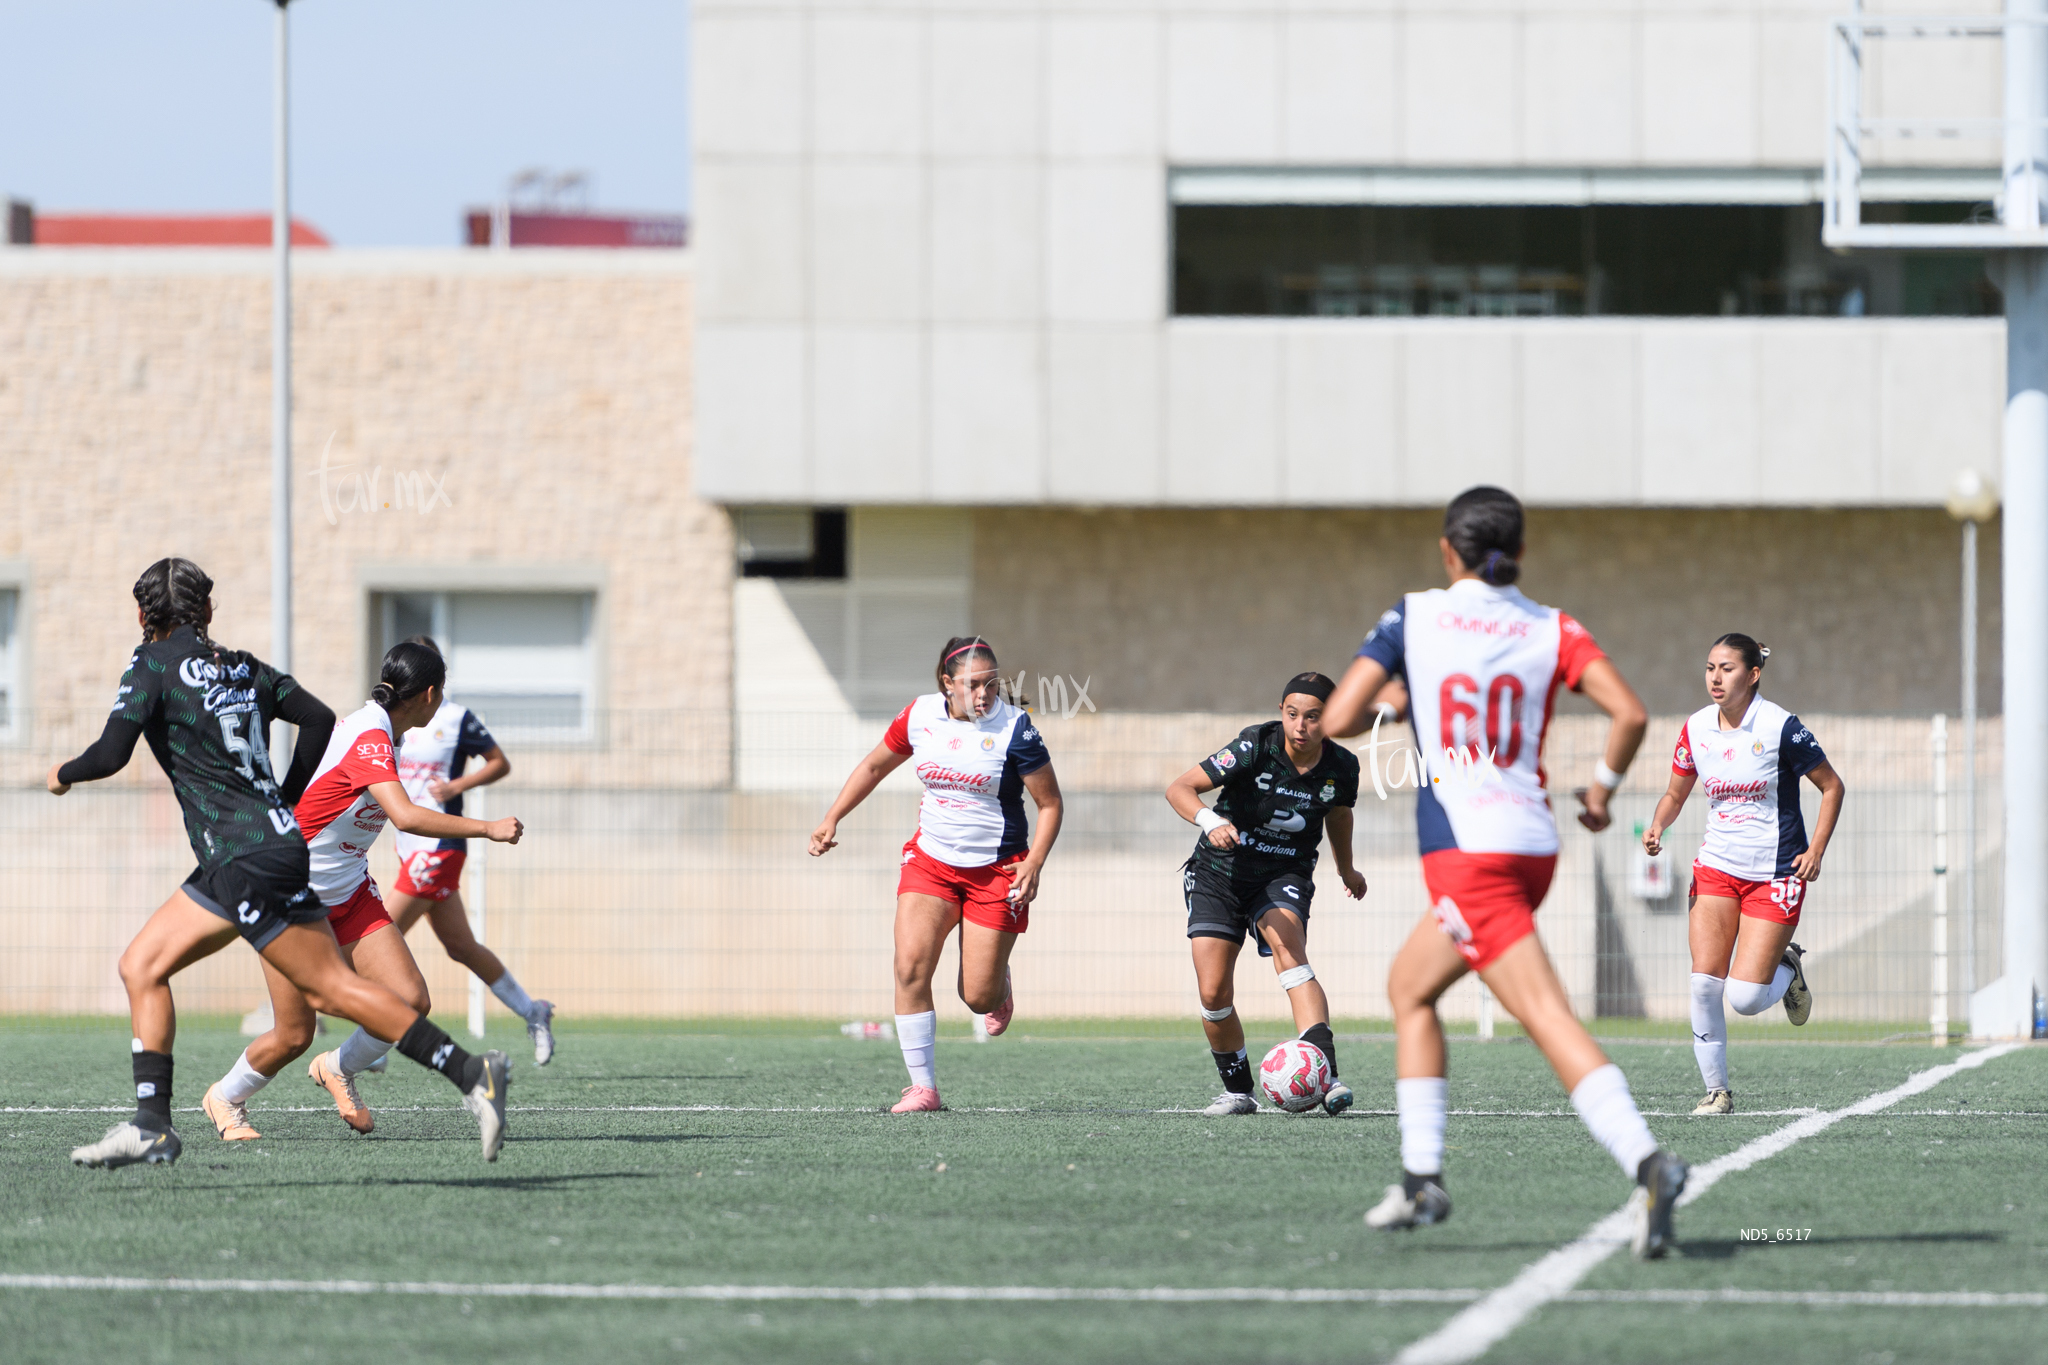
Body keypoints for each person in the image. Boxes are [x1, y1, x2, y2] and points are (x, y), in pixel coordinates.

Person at [1324, 487, 1690, 1260]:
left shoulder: (1417, 614)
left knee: (1545, 1015)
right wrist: (1598, 790)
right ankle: (1422, 1179)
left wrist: (1396, 696)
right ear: (1519, 553)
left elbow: (1336, 719)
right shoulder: (1551, 625)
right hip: (1531, 839)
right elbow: (1629, 712)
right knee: (1410, 987)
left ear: (1447, 550)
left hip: (1470, 849)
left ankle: (1650, 1163)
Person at [50, 559, 510, 1168]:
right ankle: (153, 1125)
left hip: (245, 859)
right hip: (254, 857)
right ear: (208, 613)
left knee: (331, 991)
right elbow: (316, 718)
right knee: (142, 965)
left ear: (142, 617)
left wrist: (62, 774)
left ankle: (472, 1073)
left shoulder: (151, 663)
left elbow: (110, 754)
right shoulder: (242, 666)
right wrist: (286, 802)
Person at [200, 640, 528, 1140]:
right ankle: (224, 1097)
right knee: (293, 1034)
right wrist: (487, 828)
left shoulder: (386, 733)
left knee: (410, 1000)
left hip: (350, 890)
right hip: (289, 895)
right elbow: (405, 816)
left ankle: (339, 1068)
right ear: (431, 694)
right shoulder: (370, 736)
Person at [809, 636, 1063, 1112]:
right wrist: (831, 817)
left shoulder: (1016, 728)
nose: (984, 694)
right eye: (972, 685)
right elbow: (874, 765)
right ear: (948, 684)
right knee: (909, 966)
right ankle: (922, 1087)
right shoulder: (920, 715)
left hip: (996, 871)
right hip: (932, 863)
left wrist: (1034, 862)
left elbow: (1050, 804)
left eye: (991, 684)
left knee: (978, 998)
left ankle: (997, 984)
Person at [1643, 634, 1845, 1115]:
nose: (1715, 677)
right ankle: (1717, 1091)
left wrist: (1816, 850)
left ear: (1753, 674)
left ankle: (1788, 968)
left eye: (1727, 668)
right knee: (1704, 984)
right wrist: (1657, 825)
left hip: (1775, 872)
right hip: (1716, 868)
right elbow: (1675, 794)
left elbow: (1832, 786)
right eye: (1710, 667)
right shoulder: (1695, 728)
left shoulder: (1780, 726)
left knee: (1747, 998)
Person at [1165, 672, 1367, 1118]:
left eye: (1313, 717)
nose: (1301, 726)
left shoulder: (1342, 766)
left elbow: (1338, 815)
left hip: (1283, 873)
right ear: (1282, 713)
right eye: (1292, 714)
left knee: (1288, 947)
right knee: (1214, 991)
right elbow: (1179, 788)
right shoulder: (1254, 746)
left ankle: (1326, 1075)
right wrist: (1209, 821)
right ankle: (1238, 1091)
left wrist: (1346, 867)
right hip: (1220, 873)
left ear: (1329, 719)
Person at [383, 635, 554, 1066]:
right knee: (461, 946)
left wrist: (458, 785)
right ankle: (533, 1011)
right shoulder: (388, 724)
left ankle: (375, 1044)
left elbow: (499, 762)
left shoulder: (455, 718)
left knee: (376, 939)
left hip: (438, 847)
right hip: (410, 845)